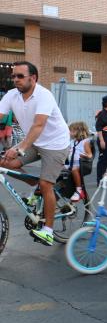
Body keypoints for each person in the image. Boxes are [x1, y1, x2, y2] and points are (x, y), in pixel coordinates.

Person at [0, 61, 71, 246]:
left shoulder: (44, 95)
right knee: (5, 163)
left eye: (20, 76)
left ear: (33, 78)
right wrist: (19, 149)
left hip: (55, 144)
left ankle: (47, 231)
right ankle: (34, 183)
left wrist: (19, 148)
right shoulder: (12, 95)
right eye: (13, 76)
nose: (15, 80)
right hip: (35, 142)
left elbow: (38, 125)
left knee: (46, 184)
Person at [66, 121, 93, 202]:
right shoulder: (72, 142)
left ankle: (79, 190)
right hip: (72, 164)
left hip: (81, 165)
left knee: (74, 169)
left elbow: (90, 155)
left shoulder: (85, 142)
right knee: (56, 168)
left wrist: (84, 155)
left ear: (79, 131)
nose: (70, 132)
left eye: (72, 131)